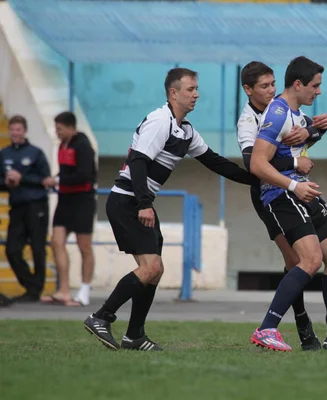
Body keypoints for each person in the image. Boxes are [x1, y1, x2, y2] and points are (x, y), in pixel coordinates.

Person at [83, 67, 256, 351]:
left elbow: (215, 162)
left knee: (155, 269)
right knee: (150, 267)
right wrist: (144, 204)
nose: (196, 94)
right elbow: (138, 162)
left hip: (138, 201)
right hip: (128, 201)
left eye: (197, 89)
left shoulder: (185, 131)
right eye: (190, 89)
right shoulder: (159, 120)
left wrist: (258, 178)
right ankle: (101, 317)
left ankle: (134, 336)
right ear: (173, 93)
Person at [237, 61, 327, 351]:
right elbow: (257, 163)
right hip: (282, 194)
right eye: (315, 85)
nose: (319, 91)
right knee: (309, 261)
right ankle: (267, 328)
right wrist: (294, 184)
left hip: (302, 190)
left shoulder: (295, 114)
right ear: (298, 85)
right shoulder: (276, 113)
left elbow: (295, 145)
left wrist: (316, 130)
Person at [40, 111, 97, 307]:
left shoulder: (83, 146)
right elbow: (65, 171)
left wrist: (56, 179)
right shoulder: (63, 145)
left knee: (84, 247)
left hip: (83, 201)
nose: (57, 132)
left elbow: (83, 175)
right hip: (65, 200)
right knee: (57, 242)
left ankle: (84, 291)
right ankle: (64, 290)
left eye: (60, 129)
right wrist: (56, 178)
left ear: (71, 128)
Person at [0, 115, 51, 303]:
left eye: (18, 130)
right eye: (12, 130)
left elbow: (45, 180)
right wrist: (7, 181)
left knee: (38, 248)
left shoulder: (36, 153)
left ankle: (35, 291)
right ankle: (31, 286)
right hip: (17, 206)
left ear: (25, 131)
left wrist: (22, 179)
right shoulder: (4, 154)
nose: (15, 133)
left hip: (37, 205)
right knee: (12, 250)